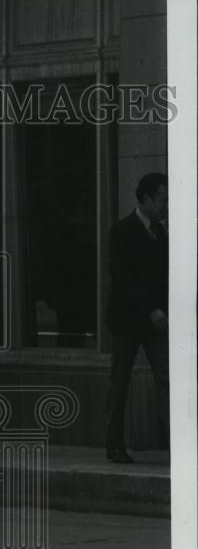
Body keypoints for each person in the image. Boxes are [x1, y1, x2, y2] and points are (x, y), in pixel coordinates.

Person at [104, 173, 169, 463]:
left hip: (157, 321)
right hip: (128, 320)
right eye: (163, 200)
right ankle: (114, 444)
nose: (166, 206)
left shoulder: (162, 232)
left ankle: (178, 442)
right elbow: (123, 277)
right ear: (146, 200)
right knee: (119, 382)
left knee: (167, 380)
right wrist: (150, 309)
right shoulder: (122, 230)